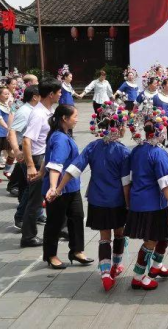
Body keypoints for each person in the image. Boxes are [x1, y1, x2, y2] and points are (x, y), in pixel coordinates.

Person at [49, 102, 130, 290]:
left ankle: (105, 273)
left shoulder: (93, 147)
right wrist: (129, 204)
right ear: (119, 128)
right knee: (119, 233)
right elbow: (126, 182)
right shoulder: (124, 152)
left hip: (97, 200)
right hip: (117, 201)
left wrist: (58, 189)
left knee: (104, 236)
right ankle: (116, 265)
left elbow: (73, 169)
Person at [123, 102, 168, 291]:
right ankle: (138, 276)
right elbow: (166, 185)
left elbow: (129, 178)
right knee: (151, 240)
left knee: (165, 234)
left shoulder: (137, 150)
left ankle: (156, 266)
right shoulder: (159, 154)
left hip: (140, 201)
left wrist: (128, 202)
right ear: (161, 130)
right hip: (153, 204)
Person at [41, 104, 93, 269]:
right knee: (55, 222)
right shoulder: (60, 138)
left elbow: (47, 158)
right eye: (75, 116)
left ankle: (77, 251)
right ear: (64, 118)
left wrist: (40, 172)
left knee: (77, 217)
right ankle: (50, 255)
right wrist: (53, 187)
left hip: (72, 186)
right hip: (59, 189)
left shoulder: (64, 134)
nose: (77, 120)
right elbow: (55, 164)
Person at [21, 78, 62, 248]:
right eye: (59, 92)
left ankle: (62, 227)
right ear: (51, 94)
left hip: (46, 158)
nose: (61, 94)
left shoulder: (48, 110)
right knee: (35, 200)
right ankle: (28, 237)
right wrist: (31, 166)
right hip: (38, 159)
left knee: (55, 193)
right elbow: (26, 140)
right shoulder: (38, 114)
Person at [7, 86, 40, 229]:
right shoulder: (24, 111)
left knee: (35, 185)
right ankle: (20, 216)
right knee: (32, 186)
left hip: (36, 150)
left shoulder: (36, 110)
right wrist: (16, 150)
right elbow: (12, 132)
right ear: (34, 97)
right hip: (26, 150)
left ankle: (37, 213)